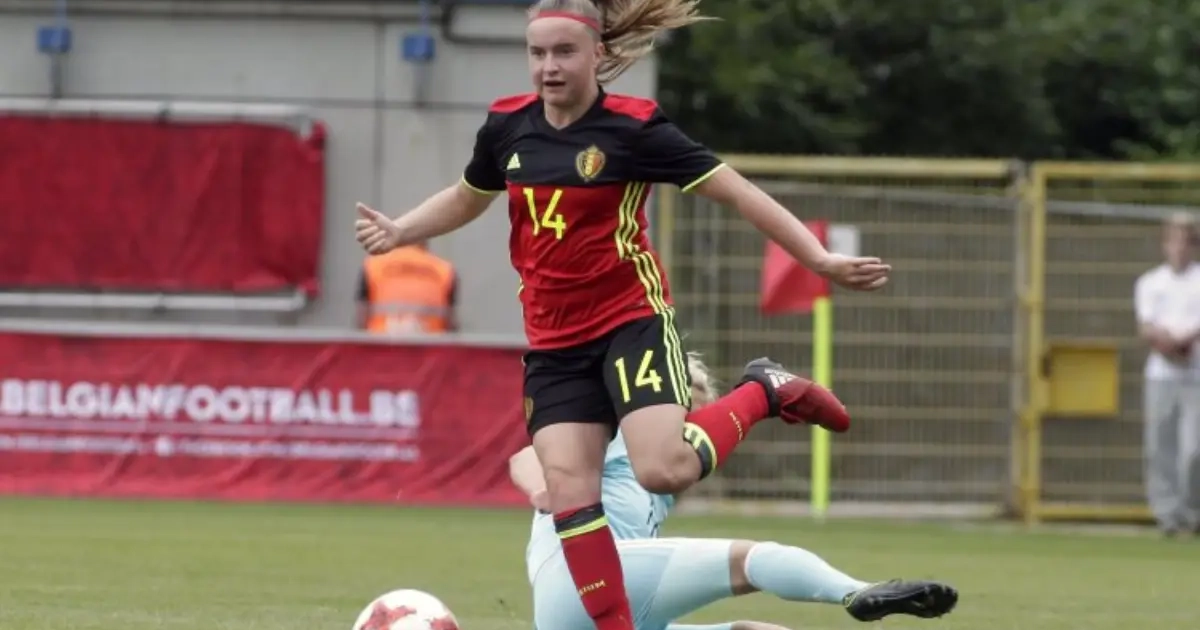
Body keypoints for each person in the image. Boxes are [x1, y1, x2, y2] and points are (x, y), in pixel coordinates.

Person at [354, 1, 890, 629]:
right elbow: (467, 196)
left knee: (662, 468)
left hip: (628, 322)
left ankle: (763, 391)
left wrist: (818, 259)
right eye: (537, 53)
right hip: (554, 345)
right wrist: (403, 230)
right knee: (569, 495)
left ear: (598, 54)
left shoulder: (634, 130)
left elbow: (740, 193)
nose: (549, 67)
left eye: (564, 52)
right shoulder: (506, 127)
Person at [511, 354, 959, 630]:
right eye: (692, 409)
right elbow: (526, 458)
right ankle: (855, 592)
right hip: (577, 578)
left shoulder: (660, 475)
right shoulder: (621, 432)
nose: (696, 431)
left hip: (592, 609)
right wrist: (542, 488)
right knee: (749, 560)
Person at [1134, 212, 1200, 536]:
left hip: (1196, 375)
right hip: (1161, 375)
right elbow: (1146, 325)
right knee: (1159, 447)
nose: (1180, 249)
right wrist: (1168, 345)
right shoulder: (1150, 282)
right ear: (1165, 245)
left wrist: (1186, 341)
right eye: (1174, 242)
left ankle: (1193, 513)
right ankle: (1167, 516)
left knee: (1193, 449)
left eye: (1186, 242)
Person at [357, 240, 459, 335]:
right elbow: (451, 323)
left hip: (381, 342)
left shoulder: (373, 265)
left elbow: (361, 317)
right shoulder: (444, 269)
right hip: (430, 344)